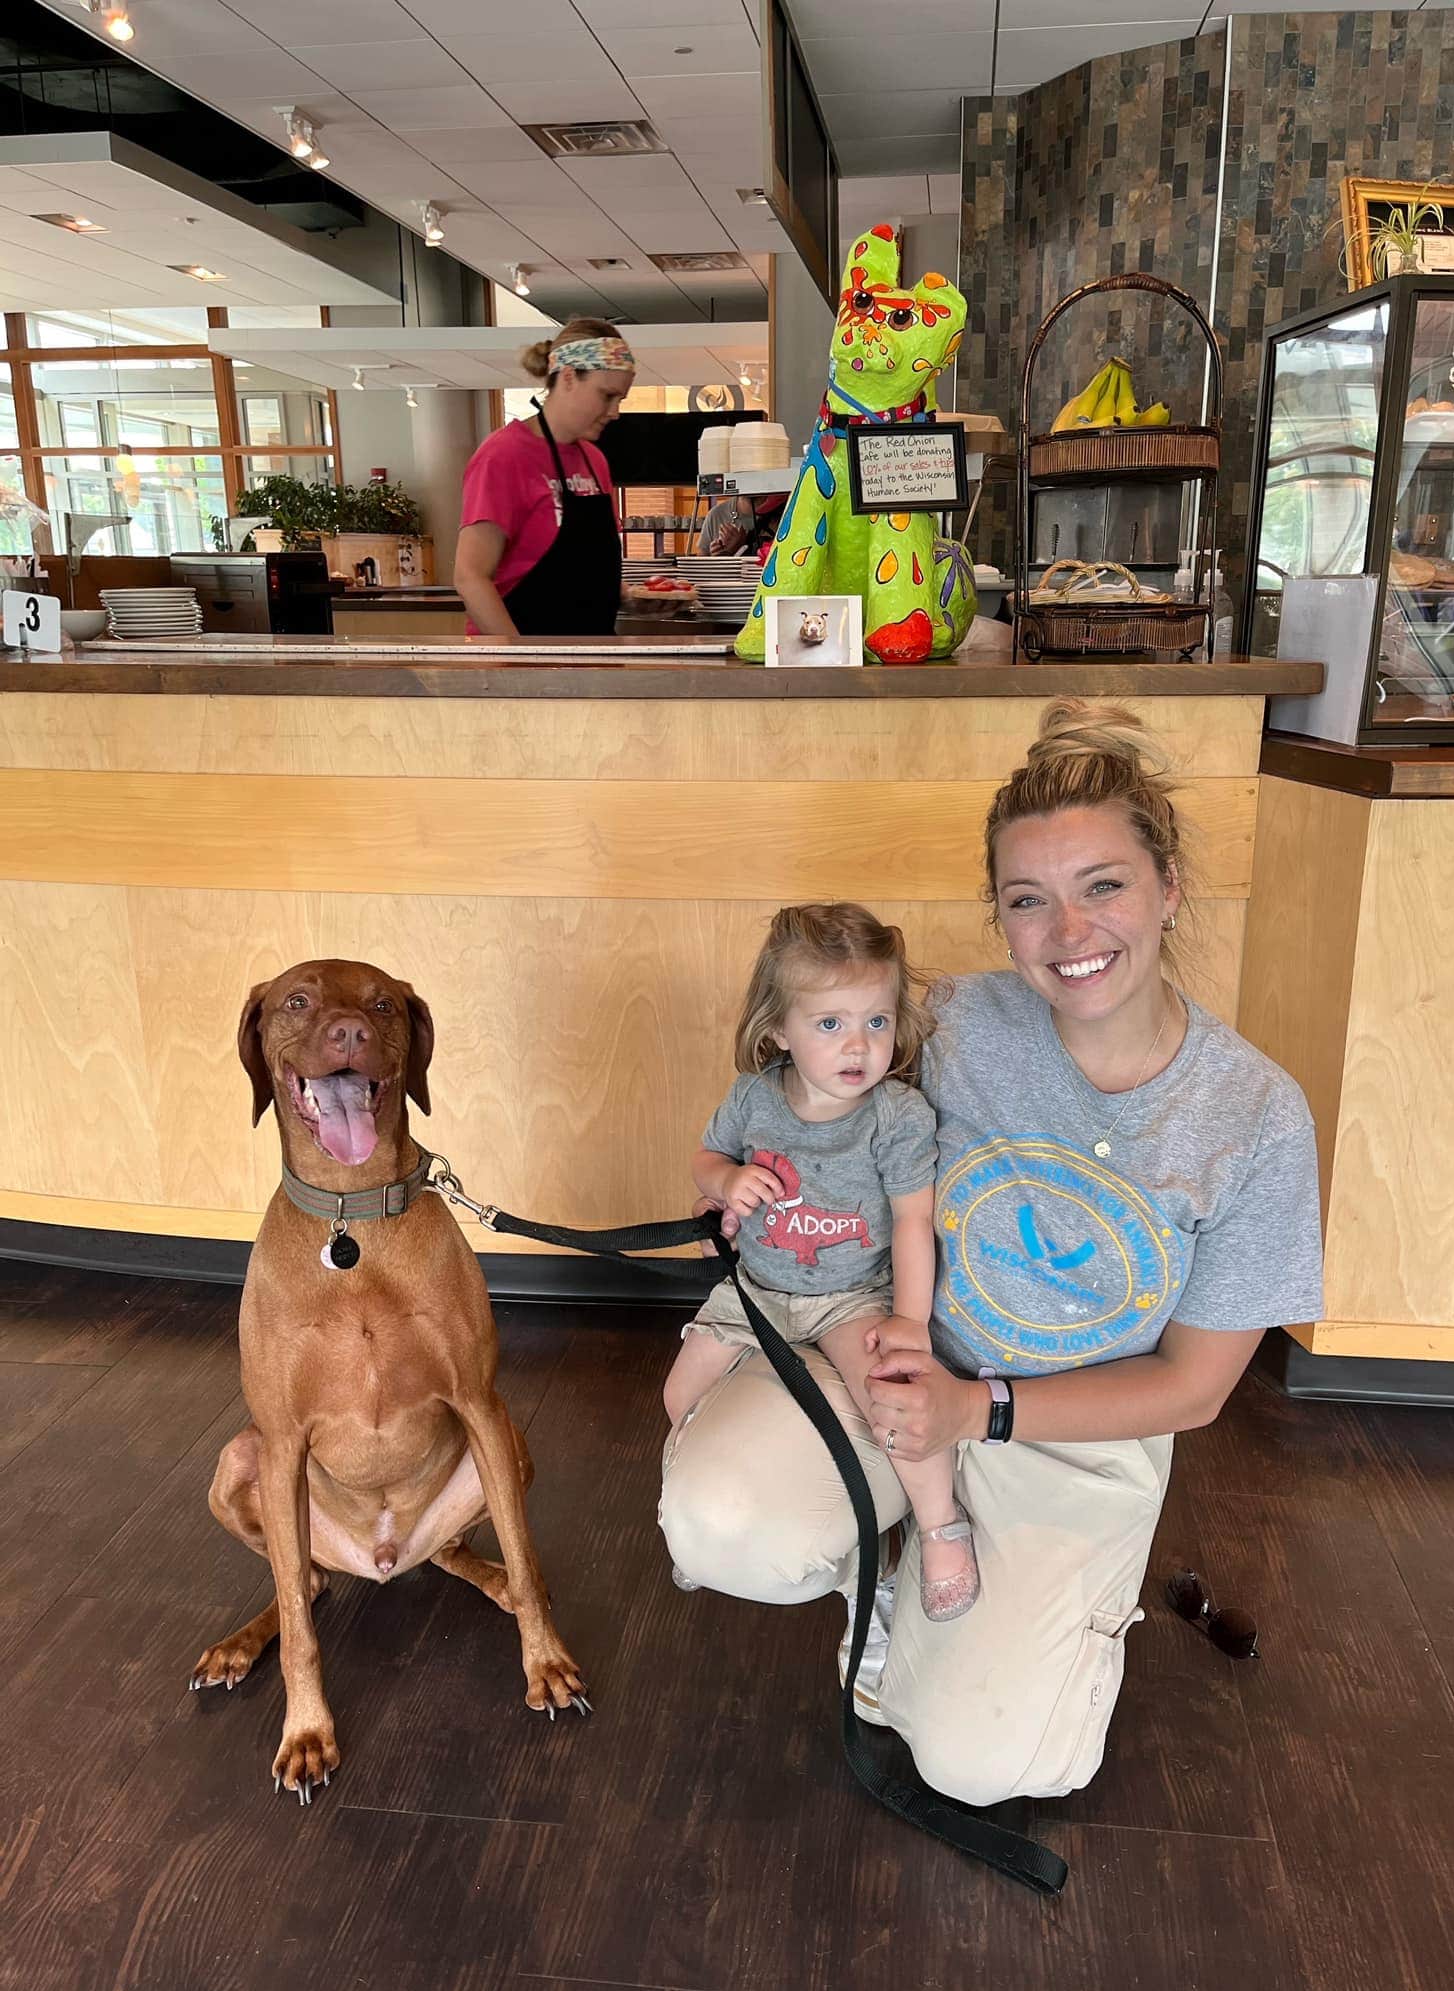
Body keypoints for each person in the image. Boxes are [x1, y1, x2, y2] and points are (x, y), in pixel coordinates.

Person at [659, 700, 1324, 1806]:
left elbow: (1196, 1388)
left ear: (1169, 887)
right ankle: (887, 1566)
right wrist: (753, 1190)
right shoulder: (951, 1021)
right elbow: (819, 1082)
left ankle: (995, 1621)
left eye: (1103, 885)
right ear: (999, 917)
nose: (1069, 930)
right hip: (888, 1363)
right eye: (1028, 899)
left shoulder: (1255, 1115)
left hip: (1069, 1430)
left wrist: (979, 1411)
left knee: (988, 1764)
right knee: (717, 1521)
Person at [663, 903, 979, 1621]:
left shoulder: (895, 1116)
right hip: (756, 1288)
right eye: (830, 1023)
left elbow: (914, 1220)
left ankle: (939, 1530)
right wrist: (725, 1181)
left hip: (850, 1296)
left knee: (894, 1404)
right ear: (778, 1028)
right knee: (679, 1395)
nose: (859, 1045)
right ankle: (692, 1514)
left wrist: (910, 1321)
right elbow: (706, 1157)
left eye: (877, 1020)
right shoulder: (755, 1097)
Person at [454, 319, 634, 640]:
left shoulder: (595, 461)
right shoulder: (504, 455)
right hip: (523, 658)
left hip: (592, 656)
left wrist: (630, 597)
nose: (615, 411)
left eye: (620, 399)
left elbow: (582, 573)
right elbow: (470, 577)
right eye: (607, 395)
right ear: (568, 377)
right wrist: (522, 660)